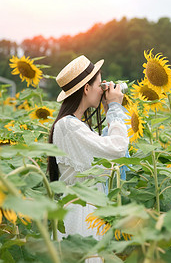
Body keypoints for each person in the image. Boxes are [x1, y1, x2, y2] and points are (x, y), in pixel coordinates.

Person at [48, 55, 129, 262]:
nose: (103, 89)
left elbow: (106, 154)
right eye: (100, 84)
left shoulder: (76, 125)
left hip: (88, 212)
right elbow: (118, 148)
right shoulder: (69, 126)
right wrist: (115, 109)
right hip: (82, 216)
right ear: (86, 89)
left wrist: (109, 108)